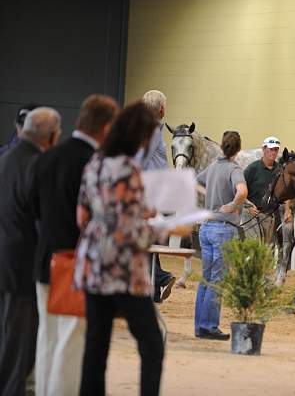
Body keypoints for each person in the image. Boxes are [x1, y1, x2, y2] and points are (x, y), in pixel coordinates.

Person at [74, 102, 190, 395]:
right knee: (151, 344)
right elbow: (132, 232)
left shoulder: (95, 163)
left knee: (95, 348)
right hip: (123, 270)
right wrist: (168, 227)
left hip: (93, 265)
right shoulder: (130, 170)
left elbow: (82, 216)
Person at [31, 94, 118, 396]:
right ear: (106, 127)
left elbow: (34, 210)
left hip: (44, 261)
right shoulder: (95, 163)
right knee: (71, 345)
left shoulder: (45, 156)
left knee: (48, 338)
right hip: (76, 264)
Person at [0, 107, 62, 396]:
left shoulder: (6, 158)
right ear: (51, 136)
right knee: (20, 337)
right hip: (23, 262)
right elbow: (45, 218)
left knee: (8, 332)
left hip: (5, 256)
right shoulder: (38, 164)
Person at [195, 130, 248, 341]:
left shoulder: (213, 166)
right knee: (218, 279)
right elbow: (242, 191)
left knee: (206, 279)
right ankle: (209, 326)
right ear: (238, 148)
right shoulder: (234, 169)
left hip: (206, 228)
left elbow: (195, 181)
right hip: (223, 228)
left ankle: (200, 325)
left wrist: (208, 197)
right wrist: (233, 205)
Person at [141, 89, 176, 303]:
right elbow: (141, 162)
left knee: (149, 241)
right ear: (161, 110)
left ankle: (154, 289)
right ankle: (161, 278)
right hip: (151, 197)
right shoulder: (151, 132)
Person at [243, 136, 292, 242]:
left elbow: (286, 191)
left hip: (269, 216)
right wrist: (247, 206)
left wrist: (288, 210)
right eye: (271, 149)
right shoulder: (253, 168)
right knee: (254, 246)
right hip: (251, 214)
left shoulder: (280, 169)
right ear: (264, 149)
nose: (273, 152)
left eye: (276, 150)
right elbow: (239, 190)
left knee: (266, 250)